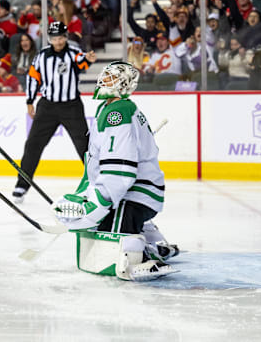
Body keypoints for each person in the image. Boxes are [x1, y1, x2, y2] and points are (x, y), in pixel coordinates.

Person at [53, 61, 178, 281]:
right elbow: (96, 162)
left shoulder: (118, 112)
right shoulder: (109, 108)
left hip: (135, 195)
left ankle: (147, 253)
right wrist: (86, 194)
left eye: (111, 77)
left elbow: (120, 172)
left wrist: (98, 203)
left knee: (112, 241)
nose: (103, 80)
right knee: (101, 228)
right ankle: (154, 242)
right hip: (131, 192)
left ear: (124, 85)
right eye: (105, 75)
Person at [12, 21, 95, 202]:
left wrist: (88, 58)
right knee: (33, 145)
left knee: (84, 146)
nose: (57, 42)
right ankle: (22, 184)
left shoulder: (73, 53)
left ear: (66, 38)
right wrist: (29, 101)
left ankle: (97, 182)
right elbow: (33, 78)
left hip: (71, 106)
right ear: (49, 39)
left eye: (60, 38)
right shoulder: (42, 56)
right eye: (54, 38)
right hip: (47, 106)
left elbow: (82, 62)